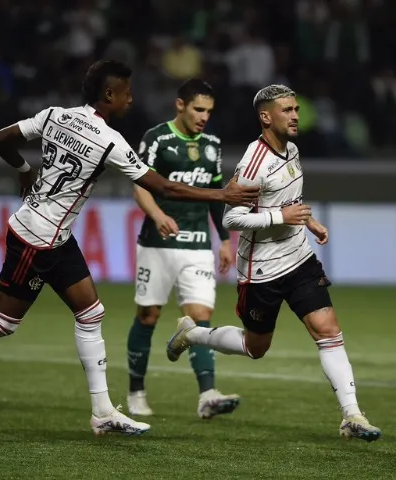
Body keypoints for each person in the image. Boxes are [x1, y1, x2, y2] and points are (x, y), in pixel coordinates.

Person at [0, 60, 259, 435]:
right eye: (127, 94)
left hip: (55, 237)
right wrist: (222, 193)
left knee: (91, 313)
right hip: (36, 241)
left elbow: (0, 138)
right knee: (1, 323)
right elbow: (163, 187)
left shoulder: (55, 115)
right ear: (109, 95)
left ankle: (102, 412)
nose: (131, 100)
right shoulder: (109, 141)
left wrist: (23, 169)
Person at [164, 84, 382, 442]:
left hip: (299, 258)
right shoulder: (253, 162)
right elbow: (231, 219)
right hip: (262, 270)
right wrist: (280, 216)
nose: (295, 115)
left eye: (296, 109)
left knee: (328, 330)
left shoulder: (292, 149)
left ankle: (352, 415)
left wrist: (306, 219)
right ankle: (193, 333)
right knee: (255, 348)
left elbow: (288, 197)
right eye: (287, 110)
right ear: (266, 117)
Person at [127, 79, 240, 419]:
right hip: (157, 243)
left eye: (208, 111)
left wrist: (222, 239)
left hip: (197, 245)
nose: (204, 117)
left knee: (200, 319)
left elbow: (217, 196)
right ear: (180, 105)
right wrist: (157, 214)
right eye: (198, 109)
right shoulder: (156, 138)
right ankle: (135, 391)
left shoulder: (212, 145)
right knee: (148, 316)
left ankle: (207, 394)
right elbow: (140, 185)